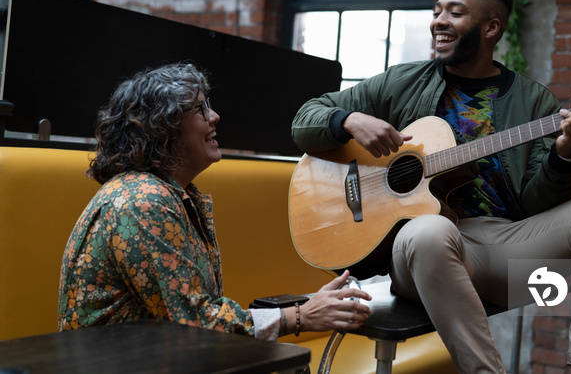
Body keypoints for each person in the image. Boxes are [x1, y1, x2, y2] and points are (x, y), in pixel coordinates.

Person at [291, 0, 571, 373]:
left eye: (455, 13)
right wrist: (349, 121)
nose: (439, 21)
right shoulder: (402, 82)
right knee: (431, 230)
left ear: (490, 28)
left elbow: (541, 203)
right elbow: (305, 118)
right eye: (438, 11)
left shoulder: (532, 100)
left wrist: (565, 152)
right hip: (421, 250)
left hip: (505, 246)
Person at [58, 62, 371, 341]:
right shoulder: (142, 201)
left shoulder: (170, 193)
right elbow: (194, 324)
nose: (215, 116)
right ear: (163, 128)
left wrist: (306, 310)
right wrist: (301, 316)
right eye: (199, 109)